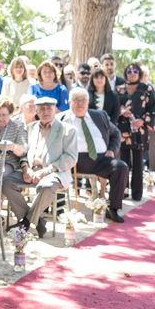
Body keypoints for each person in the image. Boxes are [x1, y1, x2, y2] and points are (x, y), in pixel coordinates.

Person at [2, 97, 77, 238]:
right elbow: (23, 152)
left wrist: (45, 171)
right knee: (6, 183)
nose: (45, 111)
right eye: (41, 108)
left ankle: (25, 222)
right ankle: (37, 221)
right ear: (36, 110)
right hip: (30, 171)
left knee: (47, 187)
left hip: (54, 172)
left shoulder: (67, 130)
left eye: (49, 108)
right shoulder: (30, 128)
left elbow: (70, 158)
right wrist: (25, 168)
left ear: (55, 109)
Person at [59, 88, 129, 222]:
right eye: (76, 100)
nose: (80, 103)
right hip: (73, 161)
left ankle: (113, 208)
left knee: (121, 167)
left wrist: (112, 150)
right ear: (69, 102)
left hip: (100, 160)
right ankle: (59, 206)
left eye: (83, 100)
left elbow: (116, 134)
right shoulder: (61, 119)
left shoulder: (99, 115)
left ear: (88, 102)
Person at [116, 62, 155, 201]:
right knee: (124, 161)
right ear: (125, 73)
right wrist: (121, 112)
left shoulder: (147, 89)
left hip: (140, 131)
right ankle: (124, 190)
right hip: (123, 130)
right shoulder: (119, 89)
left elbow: (153, 108)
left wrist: (143, 120)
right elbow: (114, 107)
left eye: (135, 71)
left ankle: (137, 193)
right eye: (129, 71)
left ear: (139, 73)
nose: (132, 73)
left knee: (138, 162)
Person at [0, 97, 27, 177]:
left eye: (4, 115)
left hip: (8, 162)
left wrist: (13, 147)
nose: (0, 118)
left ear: (10, 114)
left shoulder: (18, 126)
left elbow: (23, 151)